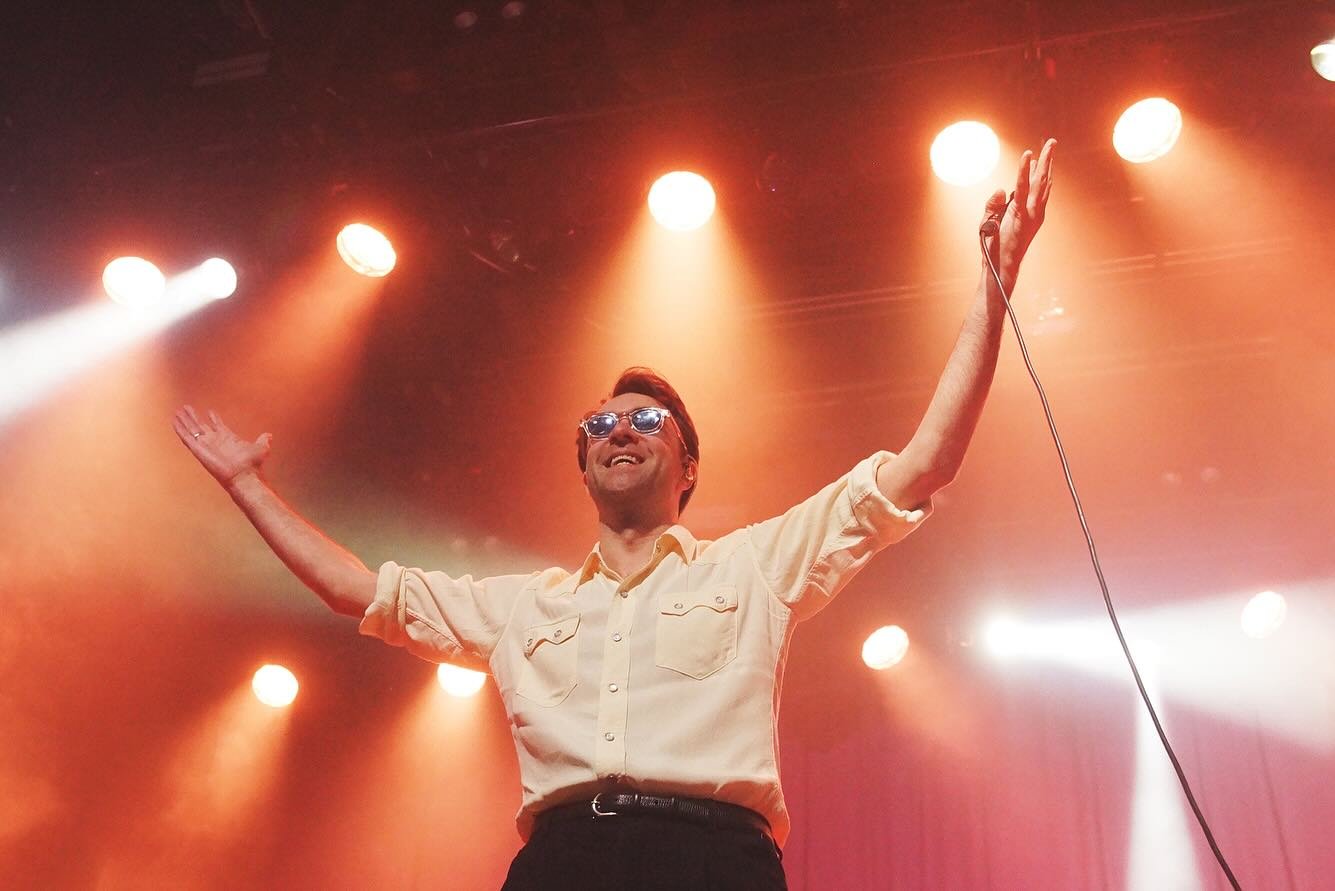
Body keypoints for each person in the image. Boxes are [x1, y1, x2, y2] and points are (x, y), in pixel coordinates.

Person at [173, 139, 1056, 890]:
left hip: (715, 858)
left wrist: (995, 283)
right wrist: (248, 486)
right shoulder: (525, 605)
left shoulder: (753, 564)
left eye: (644, 419)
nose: (617, 430)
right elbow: (355, 590)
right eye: (597, 423)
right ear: (585, 464)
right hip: (565, 860)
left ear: (688, 466)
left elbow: (922, 464)